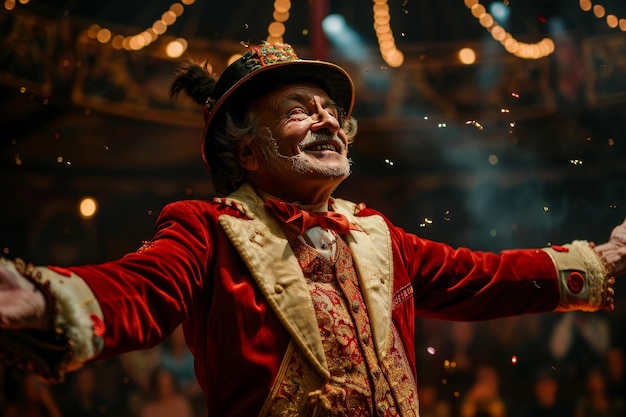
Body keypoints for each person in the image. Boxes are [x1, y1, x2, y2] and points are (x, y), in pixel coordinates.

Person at [0, 41, 625, 417]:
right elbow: (142, 288)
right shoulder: (208, 229)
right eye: (300, 112)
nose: (327, 122)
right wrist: (49, 298)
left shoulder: (378, 233)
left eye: (331, 112)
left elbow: (483, 277)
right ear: (247, 153)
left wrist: (602, 261)